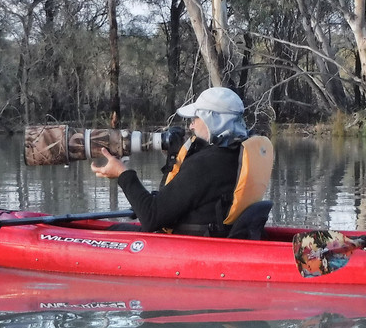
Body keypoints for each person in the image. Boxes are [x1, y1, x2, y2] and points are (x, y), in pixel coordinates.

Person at [91, 86, 250, 235]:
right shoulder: (236, 156)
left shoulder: (206, 164)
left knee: (113, 231)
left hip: (188, 245)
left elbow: (151, 218)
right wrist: (174, 159)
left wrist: (122, 173)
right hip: (217, 236)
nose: (192, 126)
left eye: (195, 118)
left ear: (213, 121)